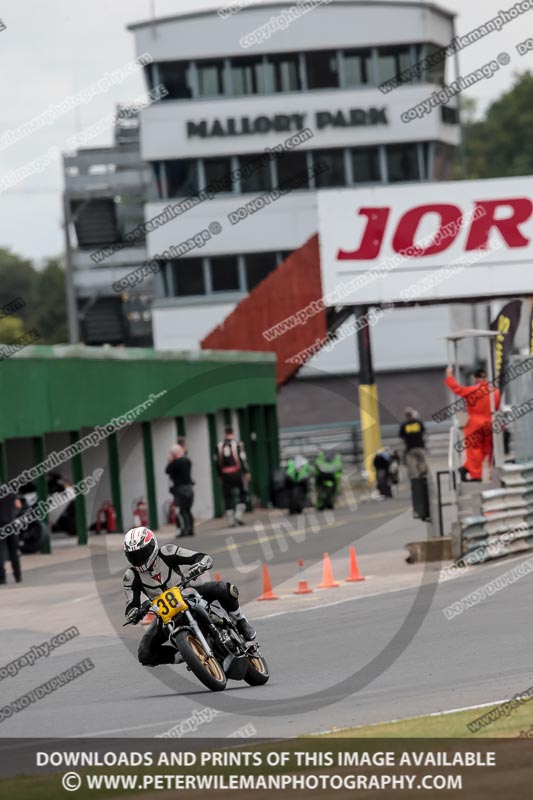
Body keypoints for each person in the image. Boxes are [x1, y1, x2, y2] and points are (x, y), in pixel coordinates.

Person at [122, 527, 256, 666]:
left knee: (224, 589)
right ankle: (184, 655)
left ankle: (241, 621)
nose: (138, 559)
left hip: (186, 593)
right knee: (144, 654)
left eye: (141, 553)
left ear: (152, 546)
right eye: (133, 556)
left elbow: (201, 557)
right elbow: (131, 605)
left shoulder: (168, 551)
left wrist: (200, 565)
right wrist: (134, 613)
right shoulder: (130, 576)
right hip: (164, 613)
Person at [445, 366, 501, 482]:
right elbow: (496, 407)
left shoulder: (472, 390)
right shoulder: (495, 392)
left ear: (475, 378)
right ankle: (470, 470)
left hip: (474, 423)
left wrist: (449, 376)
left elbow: (456, 388)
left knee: (474, 450)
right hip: (489, 423)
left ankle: (473, 473)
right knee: (486, 450)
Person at [216, 427, 249, 527]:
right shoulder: (238, 444)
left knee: (227, 495)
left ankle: (230, 519)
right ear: (232, 433)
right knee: (243, 492)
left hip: (225, 474)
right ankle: (238, 514)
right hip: (237, 473)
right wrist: (246, 472)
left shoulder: (219, 445)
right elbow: (243, 459)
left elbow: (217, 462)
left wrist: (219, 475)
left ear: (225, 433)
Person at [165, 444, 194, 537]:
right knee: (188, 510)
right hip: (189, 487)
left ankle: (183, 529)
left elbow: (167, 470)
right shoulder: (187, 461)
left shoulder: (175, 463)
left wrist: (170, 461)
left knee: (180, 510)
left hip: (180, 489)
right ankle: (190, 528)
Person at [0, 491, 23, 585]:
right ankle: (18, 576)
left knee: (0, 552)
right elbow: (18, 505)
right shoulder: (9, 492)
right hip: (11, 524)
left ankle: (2, 578)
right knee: (13, 551)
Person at [399, 407, 428, 479]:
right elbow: (424, 431)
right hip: (420, 446)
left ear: (406, 416)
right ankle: (423, 475)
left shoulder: (404, 425)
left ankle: (415, 480)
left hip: (410, 448)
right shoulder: (418, 422)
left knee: (411, 465)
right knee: (422, 461)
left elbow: (401, 435)